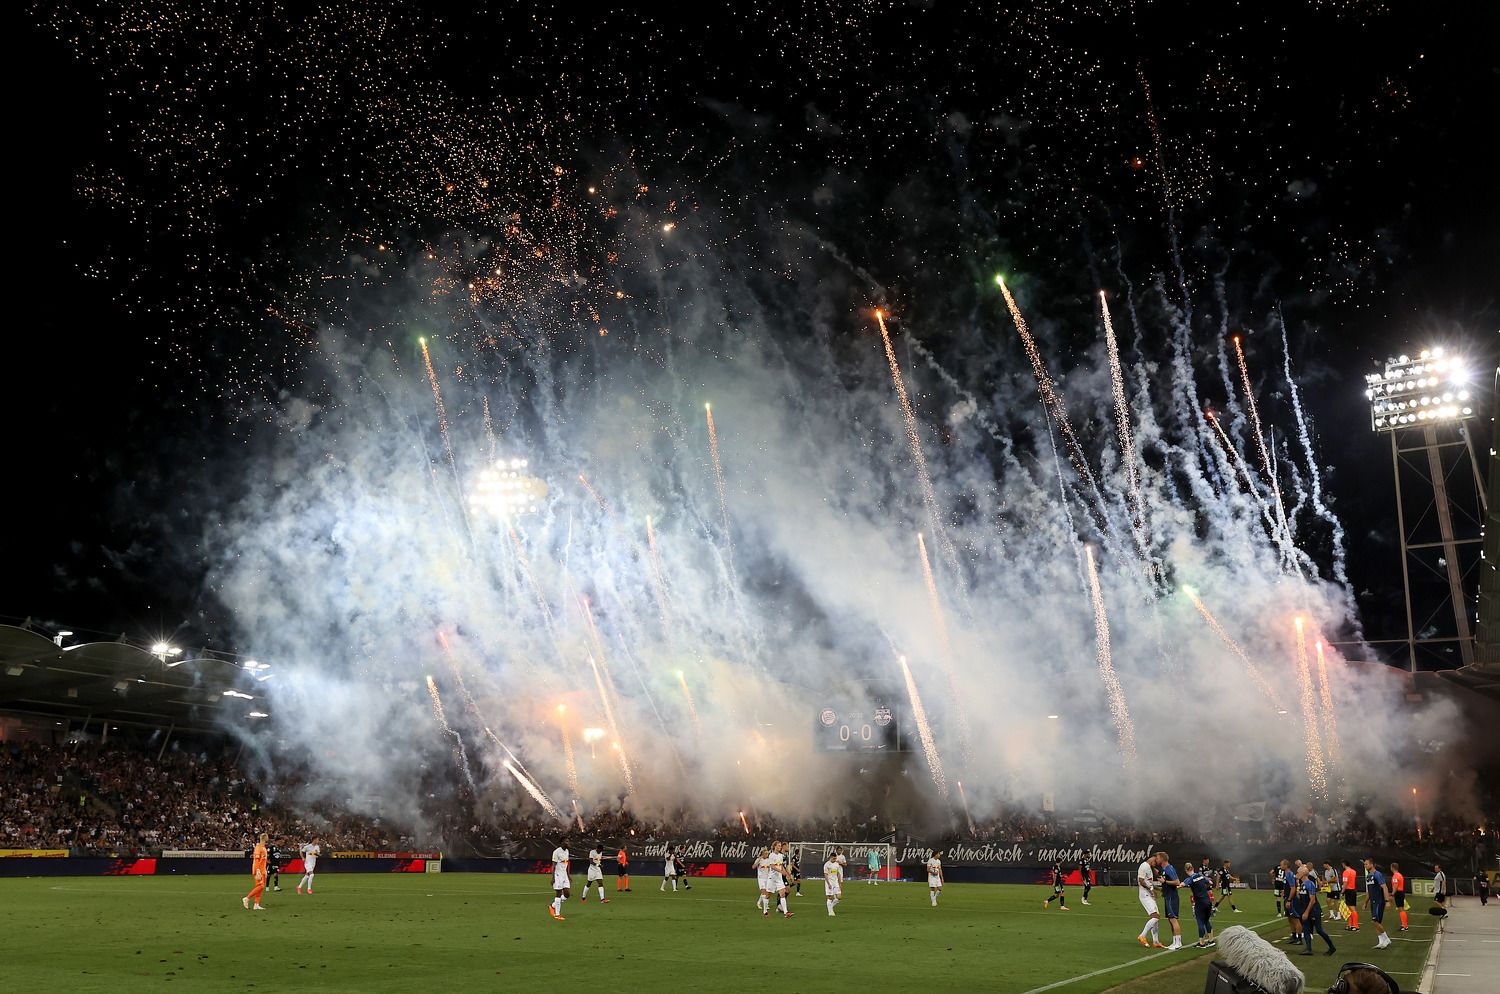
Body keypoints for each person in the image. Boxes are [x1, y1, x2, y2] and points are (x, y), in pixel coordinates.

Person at [1295, 864, 1337, 957]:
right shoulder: (1302, 884)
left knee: (1319, 930)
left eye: (1298, 872)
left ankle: (1332, 947)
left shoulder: (1310, 884)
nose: (1296, 874)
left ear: (1303, 874)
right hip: (1306, 910)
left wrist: (1306, 912)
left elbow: (1312, 900)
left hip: (1313, 911)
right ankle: (1309, 949)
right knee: (1306, 929)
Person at [1361, 857, 1392, 950]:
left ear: (1371, 864)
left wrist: (1387, 901)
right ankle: (1381, 942)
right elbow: (1369, 891)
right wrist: (1365, 902)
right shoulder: (1368, 876)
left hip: (1379, 901)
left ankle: (1386, 939)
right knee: (1377, 922)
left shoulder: (1378, 874)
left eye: (1366, 864)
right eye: (1364, 864)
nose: (1365, 865)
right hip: (1373, 902)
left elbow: (1384, 887)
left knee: (1375, 921)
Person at [1183, 862, 1216, 948]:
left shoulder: (1190, 879)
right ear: (1193, 868)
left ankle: (1202, 943)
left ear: (1186, 870)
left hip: (1200, 903)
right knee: (1206, 920)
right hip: (1208, 901)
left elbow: (1181, 885)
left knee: (1200, 922)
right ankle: (1211, 940)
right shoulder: (1200, 876)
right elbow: (1210, 882)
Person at [1136, 852, 1165, 948]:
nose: (1156, 864)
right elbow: (1141, 881)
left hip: (1149, 894)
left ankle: (1155, 941)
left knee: (1156, 918)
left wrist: (1158, 889)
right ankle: (1142, 936)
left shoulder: (1148, 867)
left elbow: (1149, 883)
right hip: (1145, 895)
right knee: (1155, 917)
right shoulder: (1143, 866)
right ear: (1154, 857)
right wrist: (1151, 890)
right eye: (1156, 861)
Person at [1160, 854, 1184, 949]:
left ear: (1162, 859)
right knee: (1170, 920)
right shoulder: (1164, 869)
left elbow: (1177, 882)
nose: (1157, 859)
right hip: (1167, 896)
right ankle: (1174, 941)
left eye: (1158, 858)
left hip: (1171, 897)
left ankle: (1178, 943)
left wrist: (1165, 882)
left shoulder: (1169, 868)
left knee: (1173, 919)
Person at [765, 841, 794, 917]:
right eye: (778, 846)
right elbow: (772, 866)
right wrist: (781, 871)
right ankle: (765, 911)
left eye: (780, 846)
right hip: (772, 878)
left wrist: (786, 874)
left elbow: (781, 866)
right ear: (774, 846)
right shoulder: (771, 855)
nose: (780, 847)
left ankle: (786, 913)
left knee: (783, 894)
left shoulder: (781, 856)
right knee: (768, 895)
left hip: (779, 878)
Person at [242, 832, 269, 910]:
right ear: (265, 838)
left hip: (262, 870)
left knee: (260, 887)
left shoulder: (263, 847)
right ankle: (247, 898)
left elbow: (263, 860)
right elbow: (257, 860)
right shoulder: (258, 847)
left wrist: (265, 870)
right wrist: (257, 870)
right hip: (258, 870)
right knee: (261, 886)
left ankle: (256, 904)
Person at [548, 838, 571, 921]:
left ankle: (552, 906)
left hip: (564, 874)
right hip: (558, 874)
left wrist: (568, 875)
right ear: (562, 842)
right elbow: (553, 865)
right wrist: (553, 877)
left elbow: (567, 863)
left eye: (568, 841)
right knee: (558, 893)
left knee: (567, 894)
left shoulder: (567, 851)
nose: (568, 843)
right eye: (566, 841)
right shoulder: (556, 852)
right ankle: (557, 915)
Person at [1282, 860, 1304, 946]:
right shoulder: (1286, 874)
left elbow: (1293, 888)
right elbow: (1288, 886)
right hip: (1287, 898)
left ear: (1286, 865)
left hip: (1291, 900)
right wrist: (1284, 892)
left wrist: (1289, 900)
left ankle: (1299, 938)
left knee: (1295, 919)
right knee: (1290, 918)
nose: (1280, 866)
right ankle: (1293, 936)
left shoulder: (1289, 874)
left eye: (1282, 865)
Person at [1341, 860, 1361, 931]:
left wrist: (1342, 892)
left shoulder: (1346, 872)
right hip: (1353, 890)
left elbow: (1345, 883)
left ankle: (1356, 925)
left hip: (1349, 891)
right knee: (1350, 909)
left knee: (1352, 909)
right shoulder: (1353, 871)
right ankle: (1350, 925)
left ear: (1344, 864)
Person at [823, 852, 843, 916]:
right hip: (829, 883)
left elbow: (838, 874)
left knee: (839, 897)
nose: (835, 859)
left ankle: (830, 906)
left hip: (836, 882)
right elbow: (825, 874)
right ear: (831, 857)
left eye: (835, 858)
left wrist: (840, 883)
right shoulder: (827, 864)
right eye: (834, 858)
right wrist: (828, 884)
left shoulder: (837, 864)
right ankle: (830, 912)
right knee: (830, 897)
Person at [755, 847, 773, 915]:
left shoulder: (769, 860)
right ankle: (765, 908)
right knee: (764, 892)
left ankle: (759, 903)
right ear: (762, 854)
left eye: (767, 854)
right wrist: (758, 860)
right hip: (761, 878)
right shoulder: (759, 860)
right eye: (765, 854)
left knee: (767, 892)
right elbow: (753, 867)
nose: (767, 855)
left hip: (767, 878)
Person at [1389, 863, 1406, 931]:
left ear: (1392, 867)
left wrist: (1392, 894)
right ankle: (1404, 925)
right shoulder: (1399, 875)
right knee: (1401, 908)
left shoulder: (1395, 876)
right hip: (1400, 892)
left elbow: (1395, 885)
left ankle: (1404, 926)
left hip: (1398, 893)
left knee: (1400, 909)